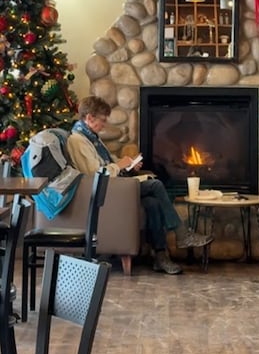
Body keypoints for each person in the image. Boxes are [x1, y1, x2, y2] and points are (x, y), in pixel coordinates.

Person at [65, 96, 212, 274]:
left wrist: (128, 164)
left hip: (114, 185)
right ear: (89, 118)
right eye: (102, 121)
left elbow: (108, 162)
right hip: (105, 191)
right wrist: (120, 165)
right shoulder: (77, 141)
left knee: (152, 202)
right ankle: (181, 234)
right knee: (156, 185)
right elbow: (94, 174)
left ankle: (160, 256)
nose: (104, 125)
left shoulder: (92, 138)